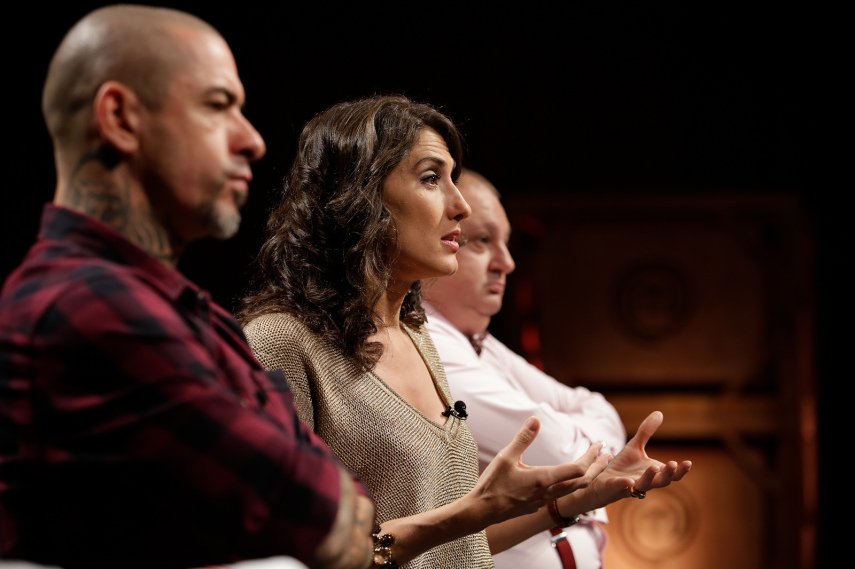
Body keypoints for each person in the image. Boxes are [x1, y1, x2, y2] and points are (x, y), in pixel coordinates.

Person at [239, 95, 692, 569]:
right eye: (432, 178)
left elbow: (454, 545)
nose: (459, 206)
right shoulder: (281, 342)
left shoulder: (417, 336)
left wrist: (568, 504)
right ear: (359, 195)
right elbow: (286, 549)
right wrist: (473, 511)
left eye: (453, 178)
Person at [0, 6, 374, 569]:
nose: (252, 141)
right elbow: (318, 516)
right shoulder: (83, 307)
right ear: (121, 117)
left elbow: (355, 516)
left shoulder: (180, 309)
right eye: (218, 105)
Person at [423, 170, 625, 569]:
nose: (508, 262)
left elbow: (595, 406)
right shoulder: (430, 342)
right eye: (482, 241)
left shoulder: (478, 342)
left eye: (506, 242)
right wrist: (583, 436)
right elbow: (562, 458)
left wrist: (585, 435)